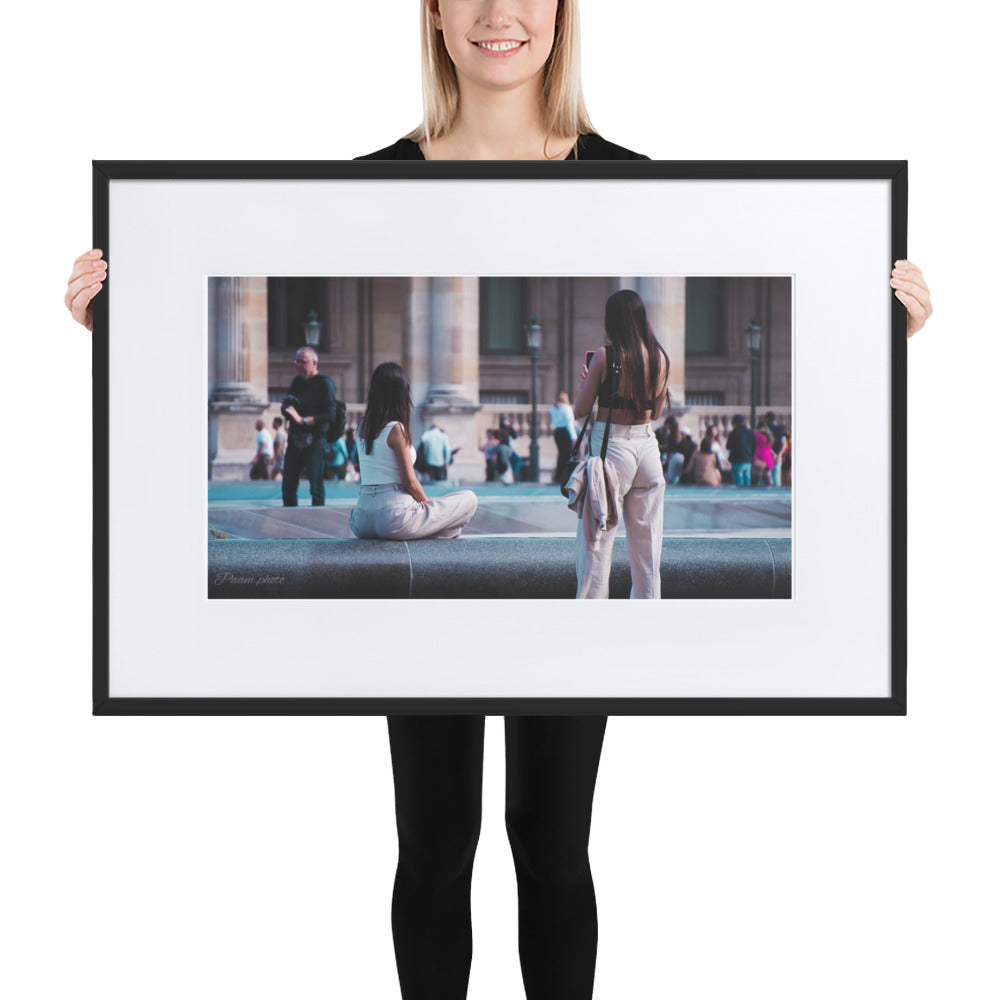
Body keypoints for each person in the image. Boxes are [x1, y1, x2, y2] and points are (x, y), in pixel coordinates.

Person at [63, 4, 934, 999]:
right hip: (573, 521)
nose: (497, 12)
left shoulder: (647, 190)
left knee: (553, 842)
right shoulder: (357, 191)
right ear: (430, 14)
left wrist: (874, 340)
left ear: (565, 14)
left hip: (573, 519)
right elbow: (192, 289)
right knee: (435, 843)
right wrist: (123, 325)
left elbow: (799, 309)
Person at [572, 289, 669, 599]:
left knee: (597, 541)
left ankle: (592, 618)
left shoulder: (606, 356)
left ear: (612, 320)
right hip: (648, 449)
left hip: (612, 450)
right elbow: (656, 412)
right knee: (648, 545)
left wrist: (589, 380)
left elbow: (580, 410)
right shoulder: (660, 357)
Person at [349, 363, 477, 542]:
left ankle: (435, 530)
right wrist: (426, 502)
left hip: (361, 520)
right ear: (400, 393)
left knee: (443, 519)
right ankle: (437, 532)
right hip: (393, 518)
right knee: (469, 498)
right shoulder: (396, 429)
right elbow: (409, 482)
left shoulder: (363, 425)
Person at [280, 347, 338, 507]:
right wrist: (287, 409)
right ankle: (289, 521)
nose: (299, 365)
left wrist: (302, 420)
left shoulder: (325, 383)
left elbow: (330, 415)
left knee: (316, 488)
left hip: (315, 442)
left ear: (314, 363)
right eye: (296, 362)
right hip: (294, 441)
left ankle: (318, 523)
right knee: (288, 487)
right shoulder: (296, 382)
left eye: (303, 362)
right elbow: (289, 410)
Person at [550, 390, 579, 486]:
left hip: (557, 432)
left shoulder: (553, 408)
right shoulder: (567, 408)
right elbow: (569, 424)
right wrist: (574, 437)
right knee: (567, 455)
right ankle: (566, 476)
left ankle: (559, 476)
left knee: (561, 454)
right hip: (565, 432)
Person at [727, 414, 755, 487]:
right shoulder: (751, 432)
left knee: (738, 480)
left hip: (737, 460)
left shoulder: (733, 433)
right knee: (747, 478)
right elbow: (754, 446)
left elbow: (728, 446)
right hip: (748, 459)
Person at [753, 419, 775, 486]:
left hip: (759, 458)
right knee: (767, 478)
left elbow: (754, 435)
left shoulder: (759, 436)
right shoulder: (769, 436)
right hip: (768, 459)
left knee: (755, 479)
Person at [271, 416, 287, 480]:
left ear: (277, 423)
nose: (272, 424)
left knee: (274, 475)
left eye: (273, 422)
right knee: (273, 475)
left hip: (281, 459)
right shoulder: (280, 432)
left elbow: (279, 446)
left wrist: (274, 458)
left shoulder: (280, 433)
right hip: (280, 459)